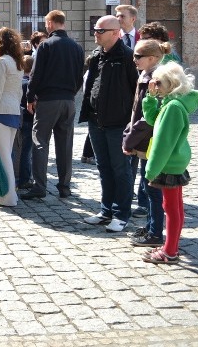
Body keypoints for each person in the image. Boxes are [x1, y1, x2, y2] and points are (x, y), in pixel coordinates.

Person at [80, 15, 139, 233]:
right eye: (94, 29)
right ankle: (106, 210)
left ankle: (121, 213)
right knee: (103, 168)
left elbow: (136, 93)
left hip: (119, 123)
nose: (95, 33)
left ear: (116, 33)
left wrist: (132, 124)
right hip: (97, 121)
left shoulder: (127, 57)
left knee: (121, 170)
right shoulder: (96, 56)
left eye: (100, 30)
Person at [141, 62, 198, 264]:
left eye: (157, 82)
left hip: (168, 163)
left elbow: (163, 142)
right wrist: (150, 98)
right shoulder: (172, 103)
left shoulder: (173, 107)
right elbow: (153, 120)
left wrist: (151, 169)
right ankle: (171, 247)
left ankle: (170, 251)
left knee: (171, 208)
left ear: (169, 83)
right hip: (173, 162)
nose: (154, 85)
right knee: (174, 206)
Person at [23, 10, 85, 199]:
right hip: (68, 100)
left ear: (50, 23)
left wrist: (30, 97)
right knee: (65, 144)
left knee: (40, 141)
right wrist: (71, 94)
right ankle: (64, 187)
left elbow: (35, 74)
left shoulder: (45, 46)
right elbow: (79, 77)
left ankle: (40, 187)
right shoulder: (77, 47)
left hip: (48, 100)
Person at [123, 39, 172, 248]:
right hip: (143, 140)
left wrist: (129, 138)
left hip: (150, 141)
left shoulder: (157, 80)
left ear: (152, 58)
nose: (134, 59)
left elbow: (149, 118)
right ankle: (151, 226)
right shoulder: (145, 74)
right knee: (147, 184)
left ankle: (155, 233)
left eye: (138, 56)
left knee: (152, 187)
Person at [0, 28, 24, 207]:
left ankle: (7, 197)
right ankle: (8, 195)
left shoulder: (1, 62)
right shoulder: (17, 63)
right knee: (7, 154)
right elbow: (19, 91)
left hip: (1, 111)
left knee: (3, 155)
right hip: (14, 111)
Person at [16, 55, 34, 189]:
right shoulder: (29, 84)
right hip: (29, 119)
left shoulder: (18, 82)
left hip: (18, 118)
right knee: (27, 150)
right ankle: (25, 178)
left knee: (20, 149)